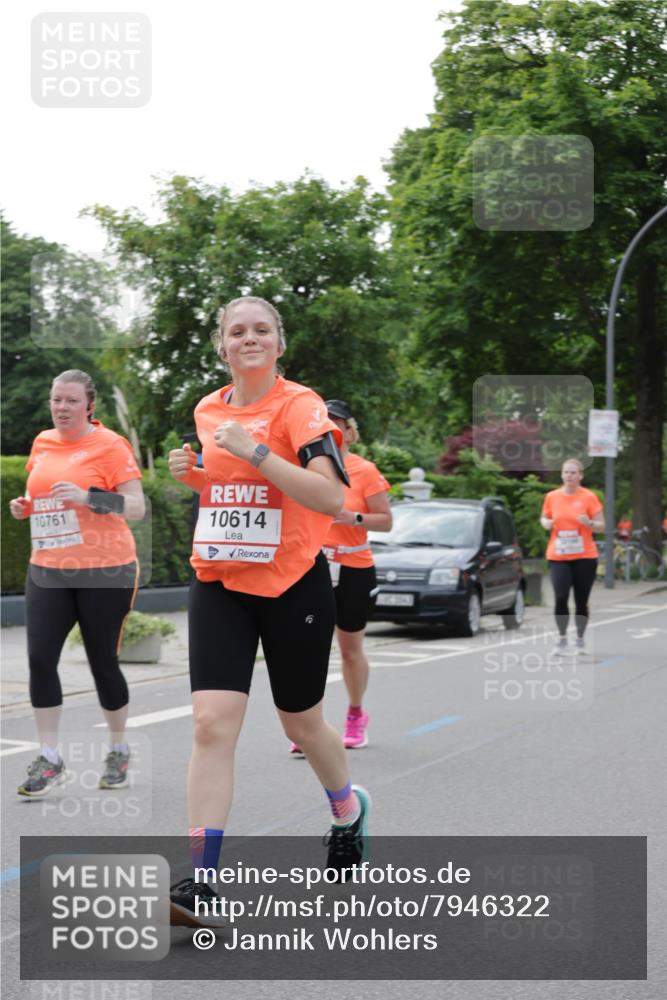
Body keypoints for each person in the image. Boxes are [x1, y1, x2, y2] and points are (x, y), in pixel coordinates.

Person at [167, 296, 370, 926]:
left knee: (300, 726)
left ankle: (347, 811)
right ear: (222, 347)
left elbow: (331, 496)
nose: (249, 338)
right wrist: (196, 477)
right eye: (237, 331)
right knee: (210, 724)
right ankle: (202, 881)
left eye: (261, 330)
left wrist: (255, 450)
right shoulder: (208, 409)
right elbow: (233, 493)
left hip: (292, 584)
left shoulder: (300, 405)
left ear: (278, 344)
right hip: (221, 579)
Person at [9, 370, 145, 796]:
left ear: (89, 406)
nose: (61, 408)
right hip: (48, 568)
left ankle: (118, 749)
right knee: (39, 658)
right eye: (56, 400)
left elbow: (138, 507)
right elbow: (45, 496)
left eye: (70, 401)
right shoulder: (42, 443)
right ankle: (50, 759)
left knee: (102, 661)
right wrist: (26, 507)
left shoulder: (110, 446)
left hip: (106, 570)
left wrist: (89, 497)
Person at [289, 400, 391, 754]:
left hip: (353, 567)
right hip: (311, 565)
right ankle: (308, 727)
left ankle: (355, 713)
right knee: (304, 647)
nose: (330, 428)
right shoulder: (302, 468)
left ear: (349, 431)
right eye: (324, 422)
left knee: (349, 650)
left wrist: (354, 518)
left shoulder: (365, 470)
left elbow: (386, 520)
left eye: (337, 423)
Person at [540, 458, 604, 654]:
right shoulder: (552, 496)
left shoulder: (589, 497)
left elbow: (602, 525)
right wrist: (546, 523)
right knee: (560, 596)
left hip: (584, 556)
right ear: (561, 475)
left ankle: (580, 638)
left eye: (573, 472)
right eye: (566, 472)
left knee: (581, 600)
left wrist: (589, 523)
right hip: (558, 555)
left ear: (580, 476)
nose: (569, 475)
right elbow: (544, 517)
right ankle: (561, 638)